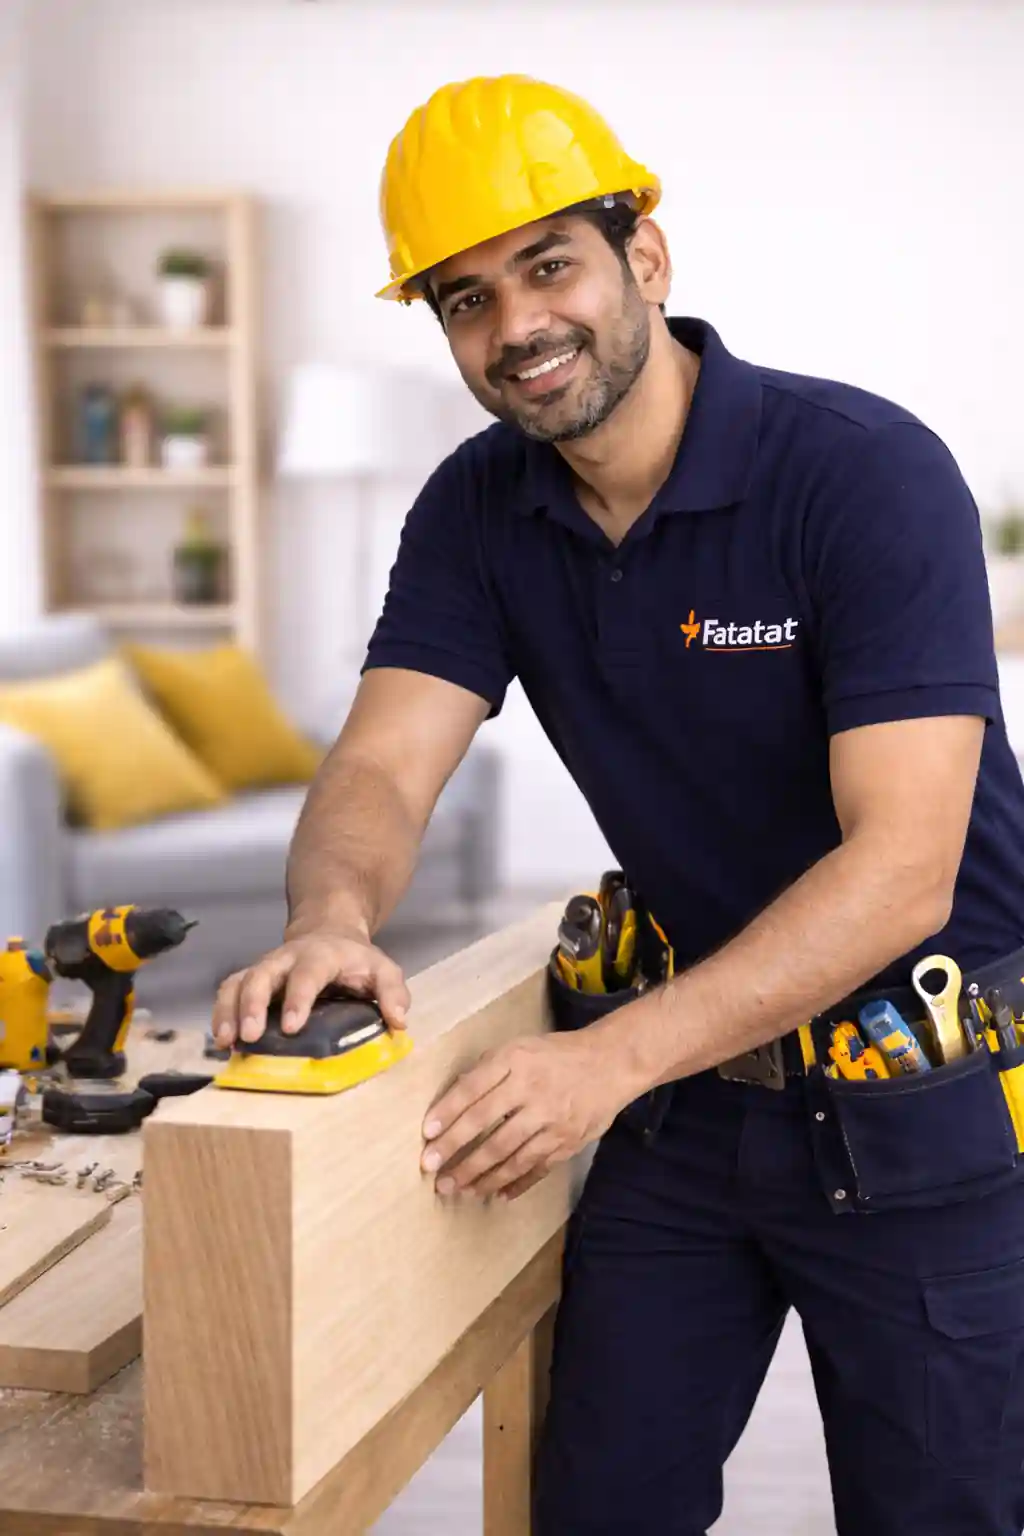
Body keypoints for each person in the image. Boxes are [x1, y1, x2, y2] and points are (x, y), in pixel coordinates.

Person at [212, 75, 1024, 1536]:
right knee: (593, 1508)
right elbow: (387, 765)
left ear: (643, 259)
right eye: (462, 298)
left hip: (929, 1113)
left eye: (547, 265)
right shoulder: (477, 508)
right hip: (697, 1107)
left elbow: (904, 869)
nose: (513, 325)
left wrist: (603, 1070)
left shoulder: (861, 476)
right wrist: (329, 918)